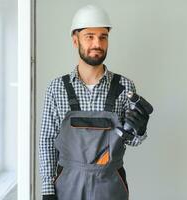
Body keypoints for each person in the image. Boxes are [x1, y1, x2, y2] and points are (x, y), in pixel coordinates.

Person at [39, 4, 153, 200]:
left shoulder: (124, 87)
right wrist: (48, 190)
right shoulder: (57, 88)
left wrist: (140, 130)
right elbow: (46, 142)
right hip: (68, 184)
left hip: (110, 185)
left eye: (103, 37)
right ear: (75, 41)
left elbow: (131, 140)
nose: (97, 44)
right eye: (89, 36)